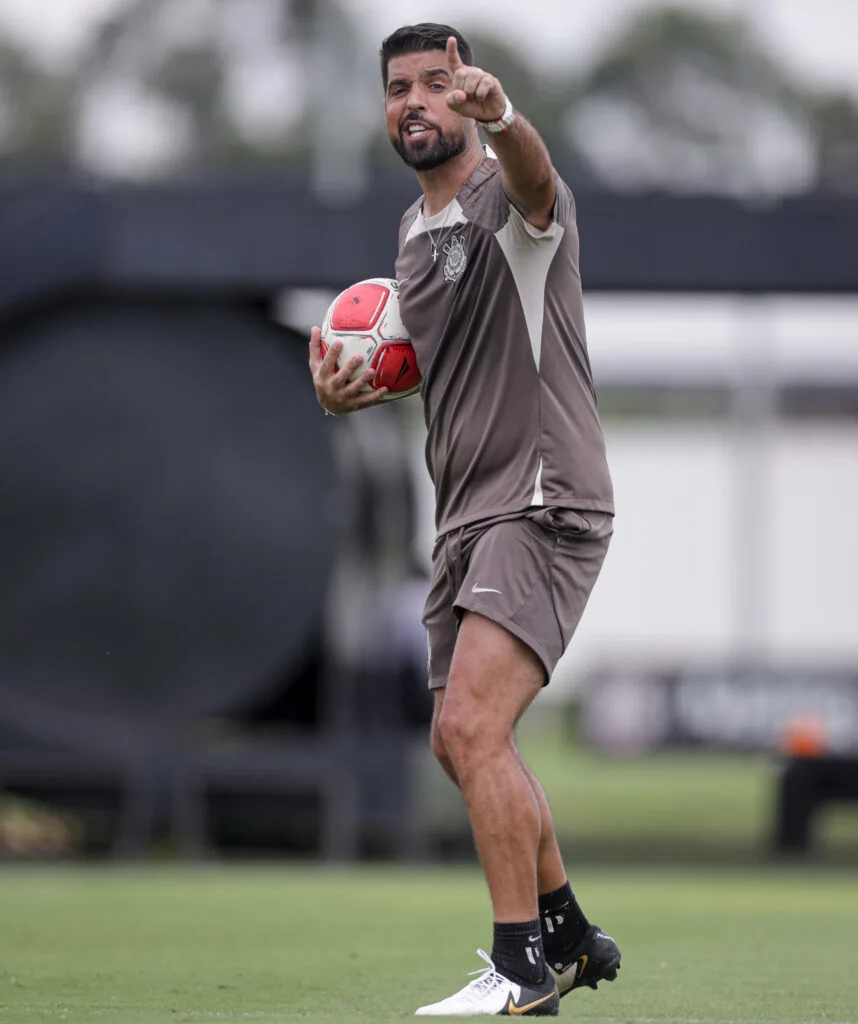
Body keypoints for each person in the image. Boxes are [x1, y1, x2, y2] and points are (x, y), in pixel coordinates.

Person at [308, 22, 620, 1018]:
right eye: (399, 88)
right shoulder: (413, 234)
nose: (416, 103)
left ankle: (520, 967)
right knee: (460, 742)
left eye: (438, 85)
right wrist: (351, 395)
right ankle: (568, 933)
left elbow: (538, 184)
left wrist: (508, 119)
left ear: (470, 92)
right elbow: (448, 365)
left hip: (540, 496)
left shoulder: (509, 197)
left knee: (470, 724)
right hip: (468, 513)